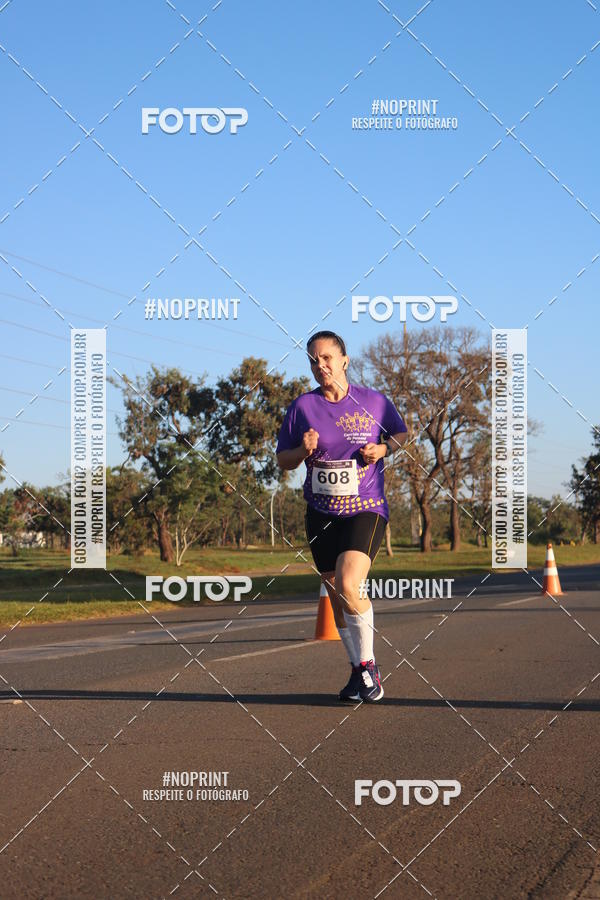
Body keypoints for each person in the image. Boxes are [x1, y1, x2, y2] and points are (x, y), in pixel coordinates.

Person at [276, 331, 408, 702]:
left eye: (327, 358)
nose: (321, 366)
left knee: (350, 584)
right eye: (313, 361)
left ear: (344, 360)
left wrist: (382, 449)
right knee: (336, 595)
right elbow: (282, 461)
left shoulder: (373, 402)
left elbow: (401, 433)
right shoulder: (302, 407)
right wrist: (302, 450)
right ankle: (358, 672)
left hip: (365, 508)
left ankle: (369, 668)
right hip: (320, 512)